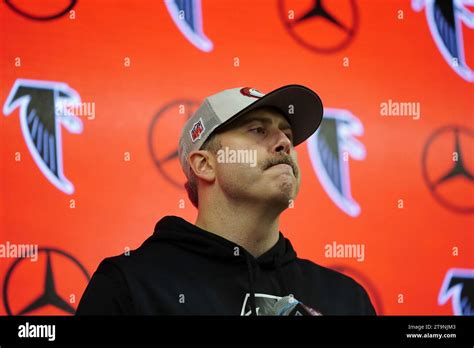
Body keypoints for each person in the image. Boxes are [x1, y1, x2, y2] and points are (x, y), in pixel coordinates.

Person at [76, 85, 376, 315]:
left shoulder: (345, 299)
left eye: (287, 133)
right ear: (204, 165)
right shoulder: (132, 285)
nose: (285, 142)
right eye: (258, 130)